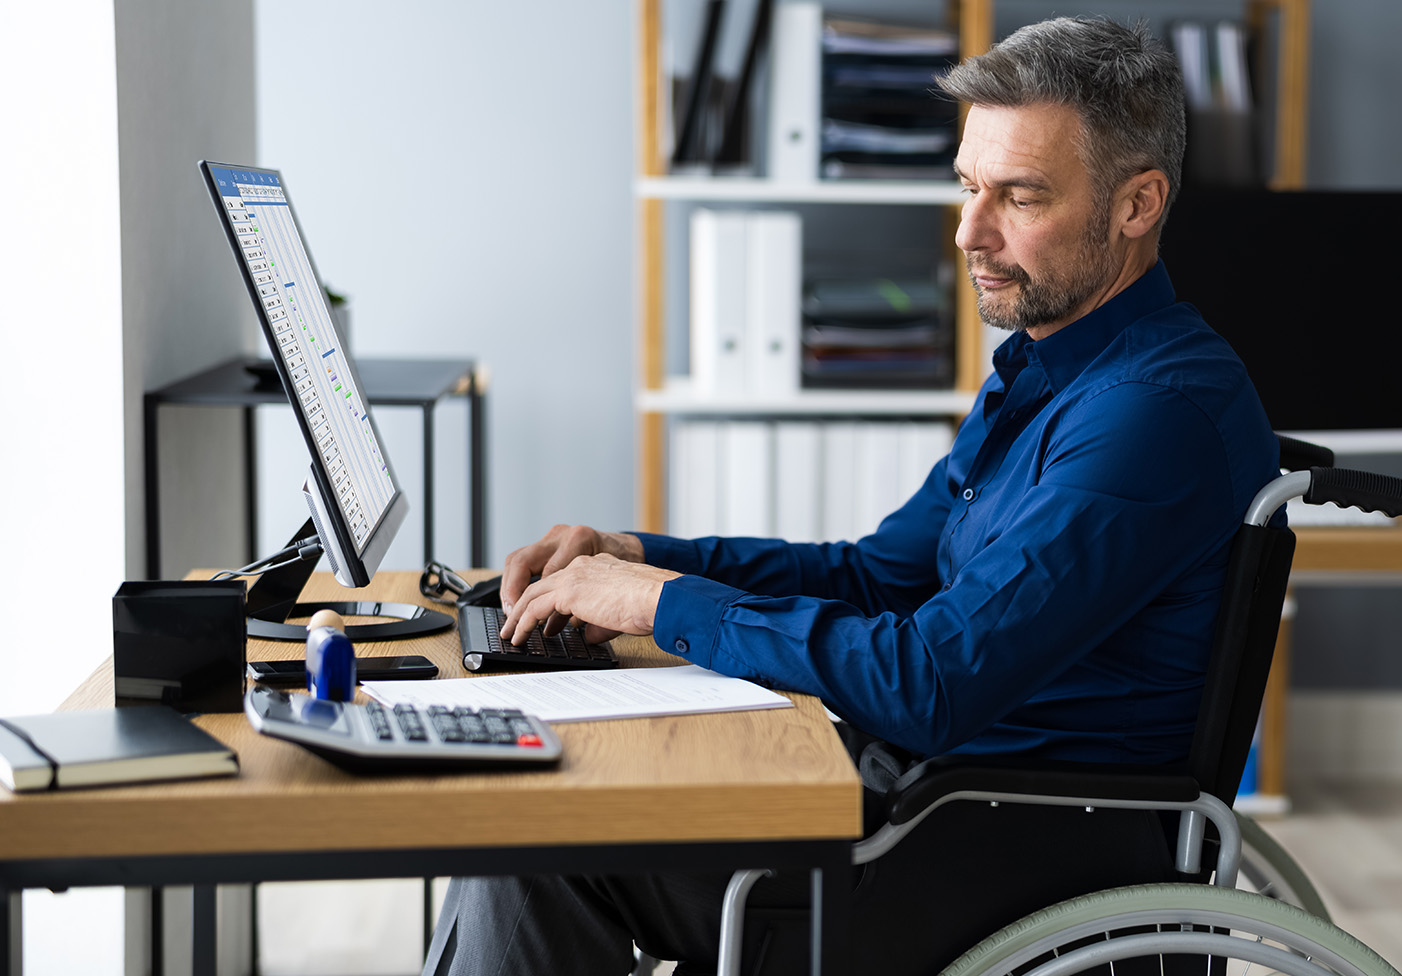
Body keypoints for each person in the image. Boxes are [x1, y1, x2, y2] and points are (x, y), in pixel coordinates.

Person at [424, 16, 1278, 976]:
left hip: (1006, 860)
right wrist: (642, 559)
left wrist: (665, 606)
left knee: (536, 836)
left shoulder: (1149, 417)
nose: (970, 233)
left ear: (1138, 204)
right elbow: (879, 578)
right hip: (928, 811)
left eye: (1020, 197)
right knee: (551, 800)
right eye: (967, 186)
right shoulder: (1053, 369)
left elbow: (930, 683)